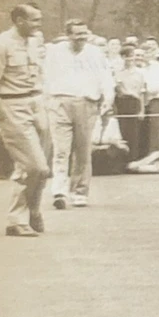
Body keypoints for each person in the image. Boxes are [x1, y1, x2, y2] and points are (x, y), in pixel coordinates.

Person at [0, 4, 51, 236]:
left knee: (38, 169)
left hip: (37, 104)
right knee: (35, 166)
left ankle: (28, 213)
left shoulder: (35, 42)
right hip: (13, 106)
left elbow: (40, 74)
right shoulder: (0, 45)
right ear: (19, 20)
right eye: (34, 20)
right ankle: (22, 216)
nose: (38, 25)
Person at [45, 19, 114, 209]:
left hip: (86, 103)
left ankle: (80, 191)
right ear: (68, 35)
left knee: (82, 151)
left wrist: (108, 98)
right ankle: (59, 191)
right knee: (61, 150)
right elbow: (46, 77)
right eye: (77, 34)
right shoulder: (55, 52)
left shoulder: (95, 53)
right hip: (60, 103)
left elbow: (106, 78)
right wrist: (47, 101)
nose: (81, 37)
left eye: (84, 33)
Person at [114, 45, 145, 160]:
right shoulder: (118, 72)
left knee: (135, 133)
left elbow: (141, 93)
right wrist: (130, 93)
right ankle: (122, 160)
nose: (130, 60)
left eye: (132, 57)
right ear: (122, 58)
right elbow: (119, 89)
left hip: (135, 103)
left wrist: (142, 110)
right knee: (123, 131)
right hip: (122, 103)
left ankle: (133, 159)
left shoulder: (140, 73)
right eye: (127, 57)